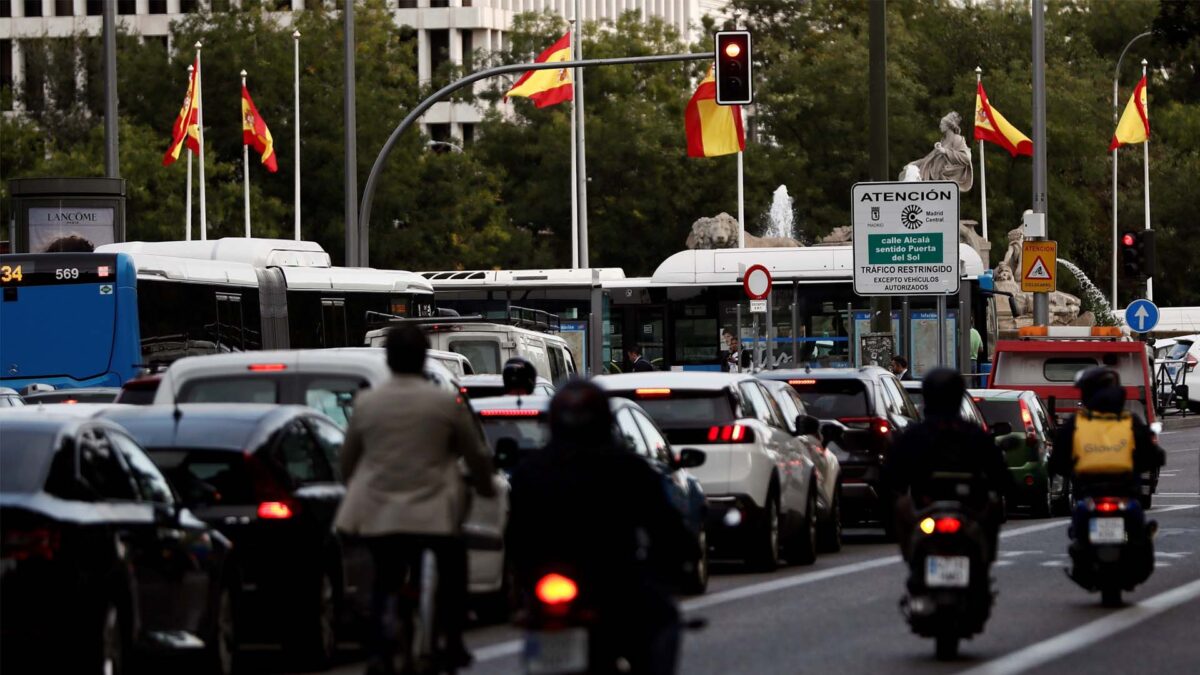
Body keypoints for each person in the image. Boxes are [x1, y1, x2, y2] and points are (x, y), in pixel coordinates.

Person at [335, 325, 497, 673]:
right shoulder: (444, 402)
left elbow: (348, 462)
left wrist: (353, 487)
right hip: (434, 514)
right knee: (453, 569)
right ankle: (451, 640)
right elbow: (475, 455)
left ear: (389, 360)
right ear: (424, 358)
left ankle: (378, 647)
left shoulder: (367, 402)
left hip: (379, 513)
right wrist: (484, 486)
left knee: (384, 579)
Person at [507, 381, 695, 674]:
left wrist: (525, 582)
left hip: (549, 584)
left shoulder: (529, 471)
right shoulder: (627, 467)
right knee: (664, 620)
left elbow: (515, 535)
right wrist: (679, 559)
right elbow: (666, 528)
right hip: (614, 583)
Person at [1047, 366, 1165, 585]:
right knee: (1139, 529)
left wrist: (1063, 469)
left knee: (1077, 530)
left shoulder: (1076, 423)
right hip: (1126, 491)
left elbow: (1058, 459)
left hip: (1088, 492)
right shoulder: (1130, 422)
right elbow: (1153, 456)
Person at [883, 368, 1011, 562]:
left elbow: (892, 472)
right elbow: (1000, 473)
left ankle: (914, 561)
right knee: (993, 508)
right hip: (958, 508)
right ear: (958, 397)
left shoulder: (916, 435)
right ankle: (984, 563)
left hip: (938, 508)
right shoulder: (973, 433)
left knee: (901, 508)